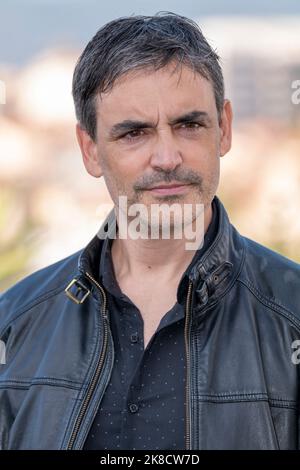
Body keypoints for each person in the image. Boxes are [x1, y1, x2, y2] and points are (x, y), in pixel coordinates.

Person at [0, 12, 299, 451]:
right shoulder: (13, 326)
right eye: (134, 133)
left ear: (224, 128)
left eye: (188, 125)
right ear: (90, 151)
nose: (165, 157)